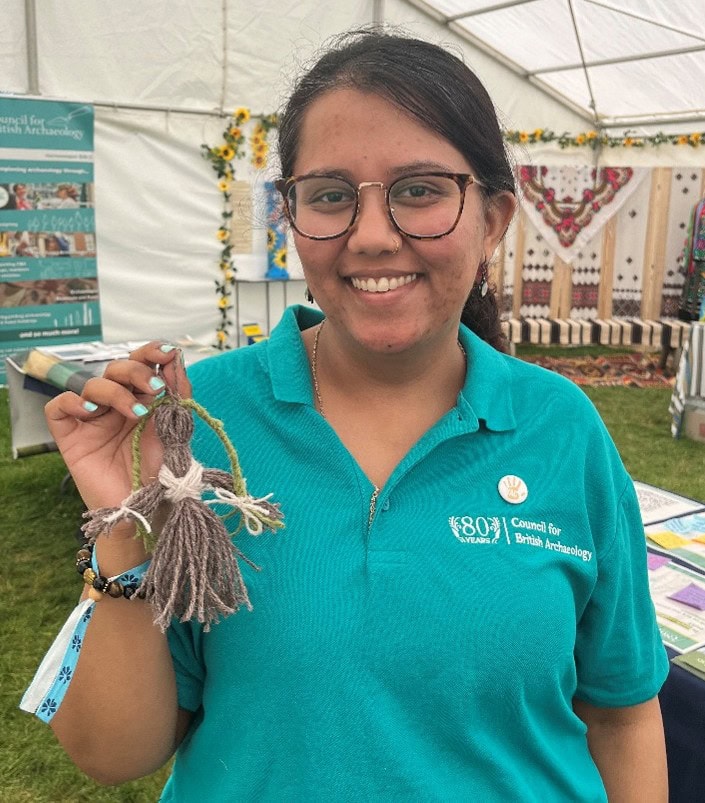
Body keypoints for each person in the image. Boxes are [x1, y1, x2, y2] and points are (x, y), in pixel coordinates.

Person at [22, 29, 668, 801]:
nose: (370, 236)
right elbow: (113, 752)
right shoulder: (201, 417)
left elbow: (621, 713)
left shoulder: (560, 428)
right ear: (292, 215)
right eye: (329, 195)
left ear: (492, 219)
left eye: (419, 190)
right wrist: (119, 523)